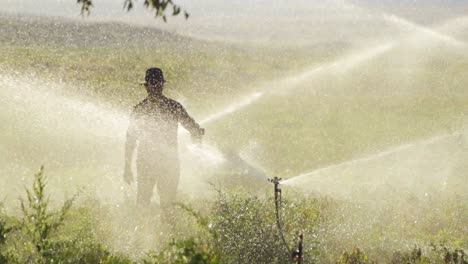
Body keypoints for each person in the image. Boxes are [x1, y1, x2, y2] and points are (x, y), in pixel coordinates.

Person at [123, 67, 204, 222]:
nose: (155, 87)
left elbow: (192, 128)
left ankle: (166, 238)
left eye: (157, 84)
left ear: (162, 85)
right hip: (150, 164)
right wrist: (127, 168)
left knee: (166, 205)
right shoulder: (144, 109)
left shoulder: (169, 107)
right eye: (152, 84)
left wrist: (197, 135)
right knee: (143, 203)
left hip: (166, 164)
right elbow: (130, 140)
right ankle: (144, 236)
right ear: (147, 86)